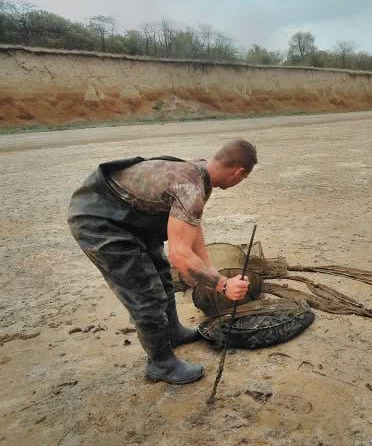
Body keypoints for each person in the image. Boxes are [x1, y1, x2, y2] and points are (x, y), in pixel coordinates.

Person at [67, 139, 257, 384]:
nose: (239, 182)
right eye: (243, 178)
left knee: (162, 275)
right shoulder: (191, 188)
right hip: (99, 220)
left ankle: (172, 332)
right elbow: (179, 254)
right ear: (239, 172)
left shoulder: (199, 173)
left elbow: (192, 229)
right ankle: (160, 363)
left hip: (130, 216)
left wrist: (211, 272)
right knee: (146, 294)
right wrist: (221, 285)